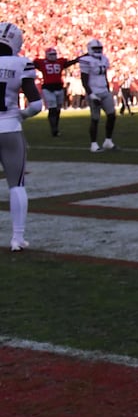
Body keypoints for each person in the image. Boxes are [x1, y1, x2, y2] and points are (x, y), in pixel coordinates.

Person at [0, 21, 43, 251]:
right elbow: (36, 105)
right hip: (9, 128)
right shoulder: (21, 63)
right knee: (16, 185)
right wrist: (21, 115)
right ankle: (17, 238)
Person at [66, 39, 118, 152]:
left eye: (99, 48)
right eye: (96, 49)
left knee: (112, 115)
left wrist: (108, 89)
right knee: (95, 118)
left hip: (104, 90)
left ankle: (108, 141)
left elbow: (104, 76)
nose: (98, 51)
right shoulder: (85, 60)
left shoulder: (104, 59)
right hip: (94, 91)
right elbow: (84, 80)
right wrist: (91, 94)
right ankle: (93, 144)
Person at [38, 45, 67, 136]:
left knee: (58, 109)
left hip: (59, 87)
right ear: (47, 55)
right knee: (52, 108)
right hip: (48, 88)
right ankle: (54, 129)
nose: (53, 56)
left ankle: (56, 127)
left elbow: (69, 63)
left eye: (54, 54)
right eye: (51, 54)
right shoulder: (42, 62)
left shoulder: (60, 62)